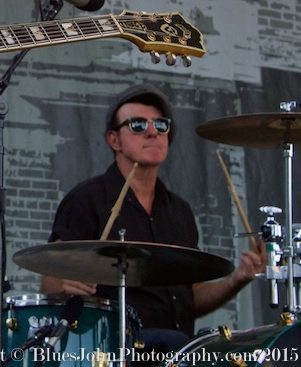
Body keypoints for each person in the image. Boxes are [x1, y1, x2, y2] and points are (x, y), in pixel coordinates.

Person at [39, 83, 266, 359]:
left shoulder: (179, 211)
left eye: (161, 124)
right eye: (137, 124)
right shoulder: (87, 199)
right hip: (112, 348)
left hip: (175, 350)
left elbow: (188, 299)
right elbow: (50, 279)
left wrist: (237, 279)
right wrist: (62, 285)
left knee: (251, 356)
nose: (152, 131)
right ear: (114, 140)